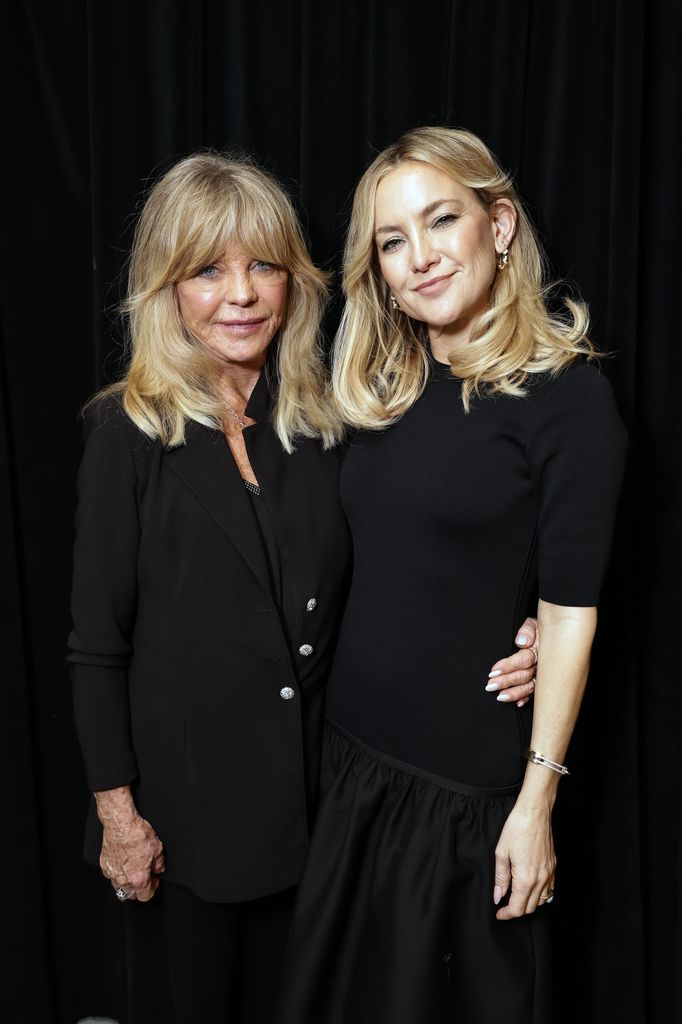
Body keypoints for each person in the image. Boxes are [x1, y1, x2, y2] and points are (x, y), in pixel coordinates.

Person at [67, 150, 536, 1024]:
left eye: (264, 267)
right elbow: (96, 647)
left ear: (296, 282)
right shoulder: (125, 433)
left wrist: (535, 622)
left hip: (321, 817)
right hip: (184, 822)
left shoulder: (326, 419)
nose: (241, 294)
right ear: (167, 287)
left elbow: (421, 552)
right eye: (207, 270)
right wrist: (120, 819)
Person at [278, 127, 628, 1024]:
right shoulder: (379, 384)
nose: (421, 257)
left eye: (442, 221)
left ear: (499, 223)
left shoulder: (569, 398)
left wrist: (536, 803)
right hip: (347, 766)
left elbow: (573, 613)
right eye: (394, 241)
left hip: (460, 801)